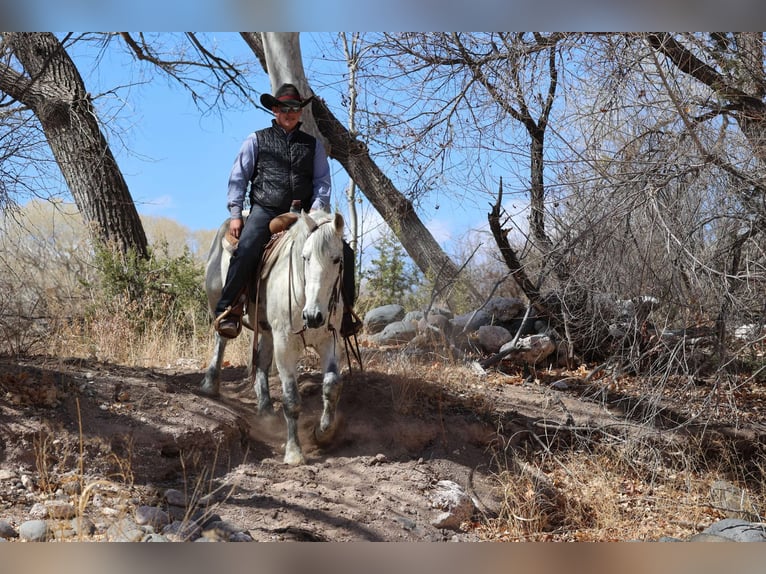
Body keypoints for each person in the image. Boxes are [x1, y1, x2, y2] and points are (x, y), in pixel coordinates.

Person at [213, 83, 361, 339]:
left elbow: (322, 183)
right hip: (265, 209)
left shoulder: (313, 146)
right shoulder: (256, 140)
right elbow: (238, 177)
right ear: (275, 109)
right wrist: (236, 213)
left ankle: (346, 313)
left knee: (344, 252)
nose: (290, 113)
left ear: (300, 112)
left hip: (304, 215)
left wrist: (315, 215)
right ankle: (230, 309)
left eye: (295, 108)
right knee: (247, 248)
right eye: (284, 108)